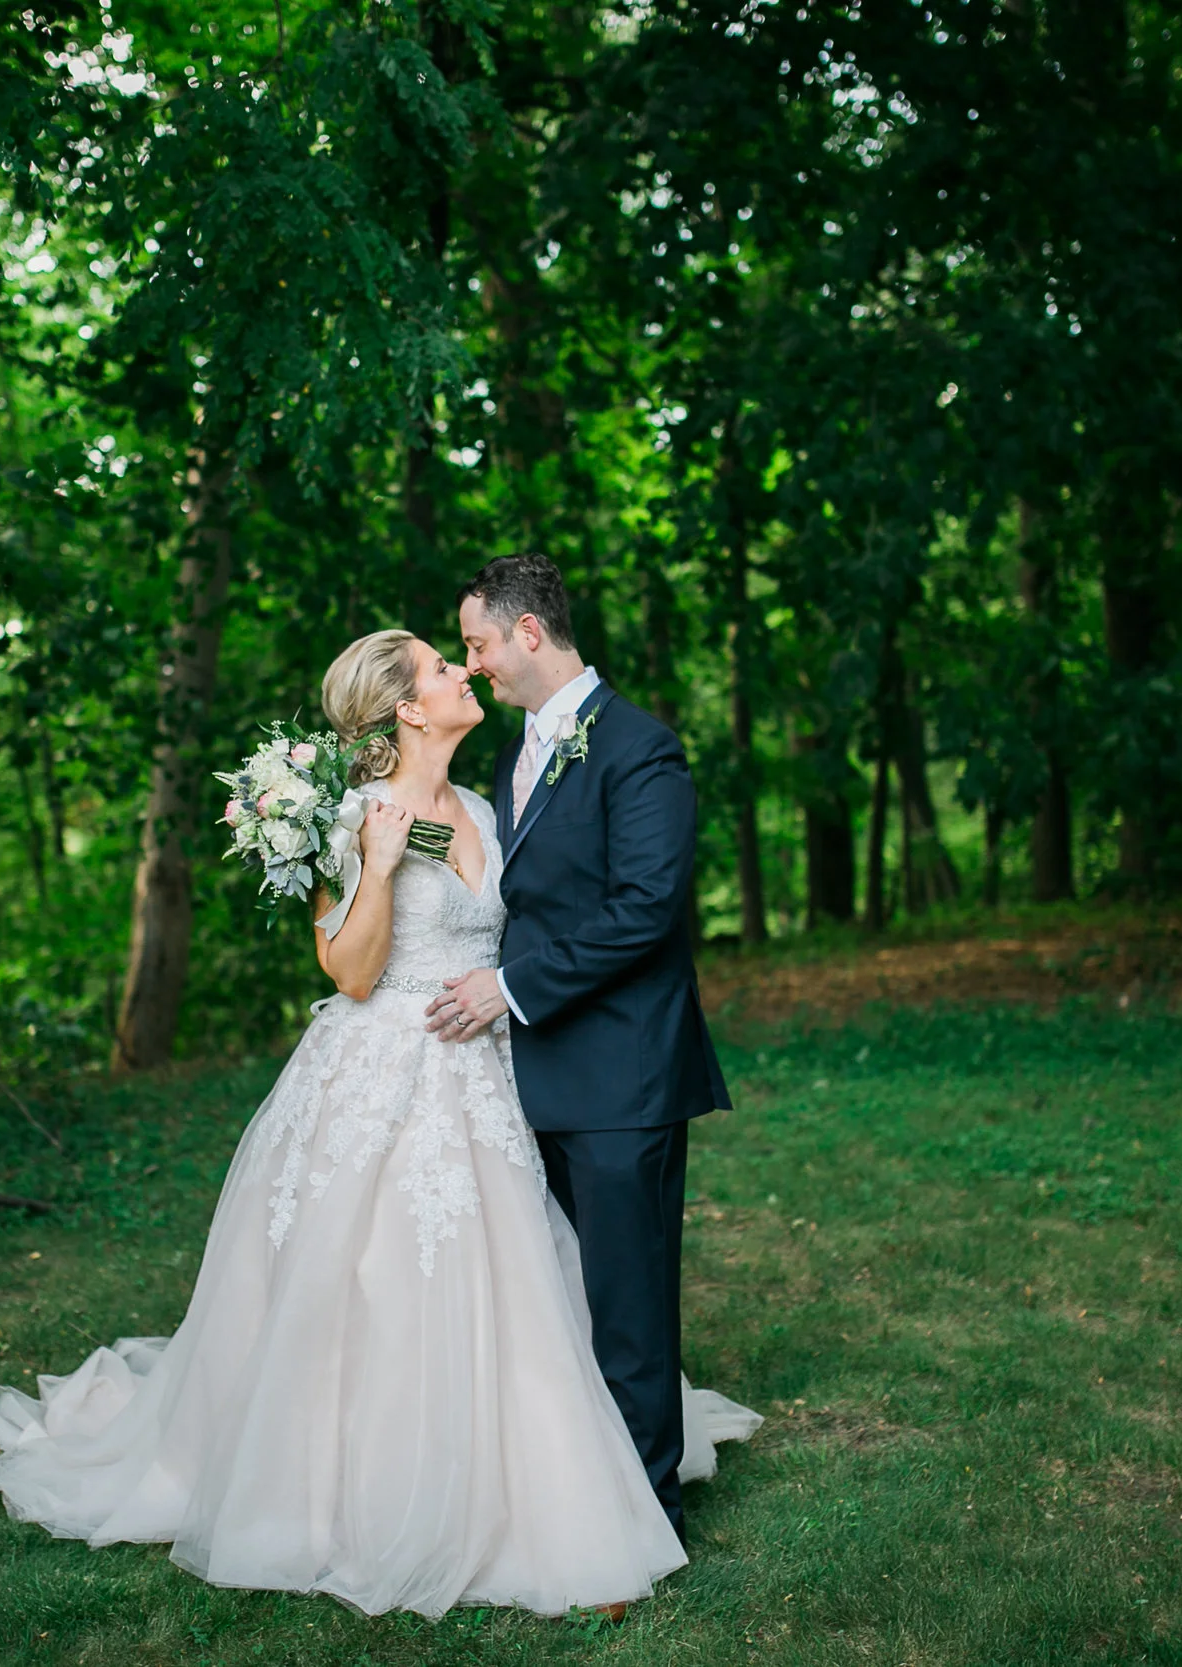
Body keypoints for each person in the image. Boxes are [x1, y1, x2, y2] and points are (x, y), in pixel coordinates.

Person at [0, 626, 755, 1620]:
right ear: (408, 709)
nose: (460, 670)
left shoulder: (480, 805)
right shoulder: (359, 815)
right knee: (371, 1275)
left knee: (510, 1266)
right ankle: (349, 1478)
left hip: (484, 1071)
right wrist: (376, 865)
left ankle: (530, 1461)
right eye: (439, 666)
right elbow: (349, 970)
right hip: (380, 1069)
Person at [427, 553, 732, 1549]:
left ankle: (648, 1518)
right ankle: (577, 1486)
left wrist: (508, 990)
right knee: (556, 1297)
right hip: (532, 1076)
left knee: (628, 1306)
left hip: (621, 1076)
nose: (469, 665)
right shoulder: (511, 757)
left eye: (474, 643)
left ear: (527, 632)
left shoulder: (641, 748)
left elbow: (644, 907)